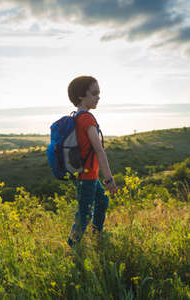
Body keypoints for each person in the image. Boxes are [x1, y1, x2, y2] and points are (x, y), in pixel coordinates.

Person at [67, 75, 118, 247]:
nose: (98, 97)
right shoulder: (87, 118)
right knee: (84, 214)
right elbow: (99, 149)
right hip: (87, 176)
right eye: (94, 93)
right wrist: (109, 179)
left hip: (87, 174)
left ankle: (97, 237)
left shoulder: (77, 116)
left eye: (99, 93)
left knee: (102, 201)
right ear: (82, 95)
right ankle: (72, 248)